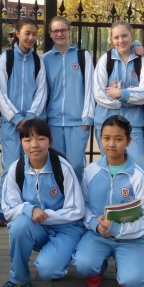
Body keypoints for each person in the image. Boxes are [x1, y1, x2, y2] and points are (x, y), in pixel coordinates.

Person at [0, 119, 85, 287]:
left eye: (40, 139)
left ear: (50, 141)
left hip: (66, 229)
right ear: (21, 143)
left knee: (48, 270)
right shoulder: (16, 169)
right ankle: (19, 279)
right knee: (19, 226)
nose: (34, 145)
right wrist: (30, 210)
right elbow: (9, 209)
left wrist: (45, 215)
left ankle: (71, 251)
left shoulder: (62, 168)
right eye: (27, 140)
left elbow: (77, 209)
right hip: (38, 228)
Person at [72, 115, 144, 287]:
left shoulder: (137, 176)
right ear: (100, 138)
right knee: (83, 264)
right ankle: (97, 268)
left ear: (128, 141)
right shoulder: (91, 171)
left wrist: (117, 229)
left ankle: (124, 265)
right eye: (106, 138)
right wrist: (96, 225)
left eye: (118, 139)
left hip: (131, 238)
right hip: (98, 235)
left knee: (132, 282)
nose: (111, 144)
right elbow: (83, 205)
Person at [0, 18, 48, 226]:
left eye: (34, 34)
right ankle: (2, 208)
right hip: (11, 124)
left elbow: (41, 91)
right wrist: (17, 118)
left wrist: (30, 118)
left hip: (32, 124)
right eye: (27, 33)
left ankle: (27, 206)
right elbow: (0, 92)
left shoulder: (38, 61)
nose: (31, 38)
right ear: (17, 33)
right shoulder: (5, 59)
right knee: (10, 167)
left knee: (33, 166)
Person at [93, 20, 144, 168]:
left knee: (136, 167)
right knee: (110, 168)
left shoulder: (142, 60)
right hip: (106, 124)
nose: (121, 40)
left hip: (133, 125)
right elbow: (99, 93)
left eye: (124, 36)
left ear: (131, 35)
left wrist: (120, 93)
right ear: (111, 39)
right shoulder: (106, 60)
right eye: (116, 37)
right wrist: (128, 101)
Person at [42, 16, 94, 180]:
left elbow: (90, 88)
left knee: (76, 165)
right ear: (50, 33)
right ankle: (61, 196)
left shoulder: (82, 56)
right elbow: (43, 91)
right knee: (57, 165)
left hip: (78, 122)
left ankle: (78, 196)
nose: (59, 34)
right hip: (54, 122)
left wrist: (87, 116)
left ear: (69, 31)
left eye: (63, 30)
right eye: (55, 31)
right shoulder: (45, 59)